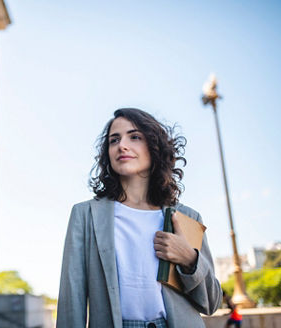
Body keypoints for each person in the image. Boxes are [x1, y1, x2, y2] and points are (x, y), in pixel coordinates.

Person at [56, 108, 222, 327]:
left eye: (134, 137)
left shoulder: (186, 217)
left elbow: (211, 303)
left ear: (154, 147)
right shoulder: (85, 215)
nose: (122, 145)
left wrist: (189, 259)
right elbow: (72, 299)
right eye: (114, 140)